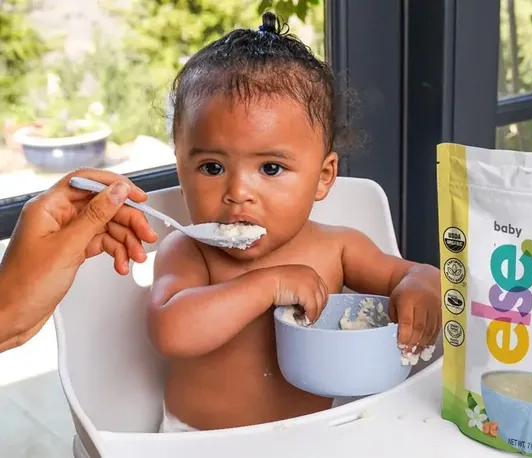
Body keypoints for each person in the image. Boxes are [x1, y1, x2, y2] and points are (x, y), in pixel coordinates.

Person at [148, 12, 441, 433]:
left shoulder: (339, 248)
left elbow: (410, 274)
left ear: (323, 178)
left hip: (314, 438)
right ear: (181, 170)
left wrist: (422, 283)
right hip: (200, 441)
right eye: (211, 167)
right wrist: (267, 285)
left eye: (270, 168)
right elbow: (170, 332)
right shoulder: (191, 252)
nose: (238, 192)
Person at [0, 169, 158, 353]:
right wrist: (9, 312)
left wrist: (9, 317)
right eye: (201, 168)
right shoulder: (179, 251)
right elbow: (170, 333)